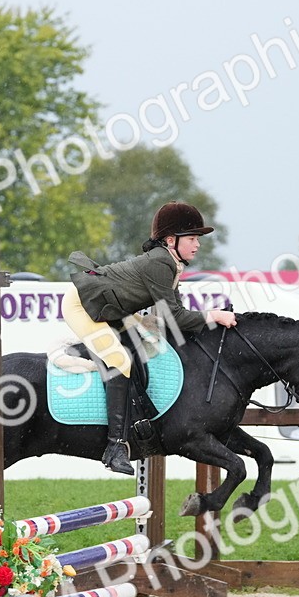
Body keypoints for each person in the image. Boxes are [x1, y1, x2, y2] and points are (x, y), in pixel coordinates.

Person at [66, 201, 237, 475]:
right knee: (121, 361)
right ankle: (115, 447)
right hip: (82, 306)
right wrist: (214, 316)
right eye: (192, 238)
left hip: (112, 309)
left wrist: (210, 324)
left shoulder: (171, 263)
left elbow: (174, 317)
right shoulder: (160, 263)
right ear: (171, 240)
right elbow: (176, 318)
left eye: (197, 239)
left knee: (149, 342)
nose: (198, 244)